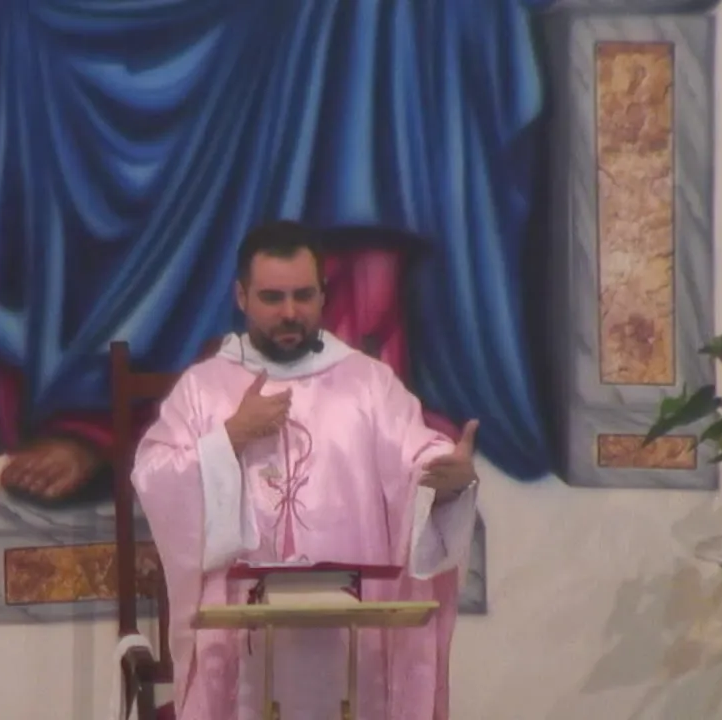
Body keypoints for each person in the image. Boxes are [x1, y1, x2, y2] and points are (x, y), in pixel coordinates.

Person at [130, 220, 480, 719]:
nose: (290, 312)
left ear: (323, 294)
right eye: (272, 298)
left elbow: (416, 459)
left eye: (303, 295)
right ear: (241, 297)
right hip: (241, 647)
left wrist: (446, 484)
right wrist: (229, 438)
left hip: (350, 643)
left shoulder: (368, 385)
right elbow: (154, 475)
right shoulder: (203, 390)